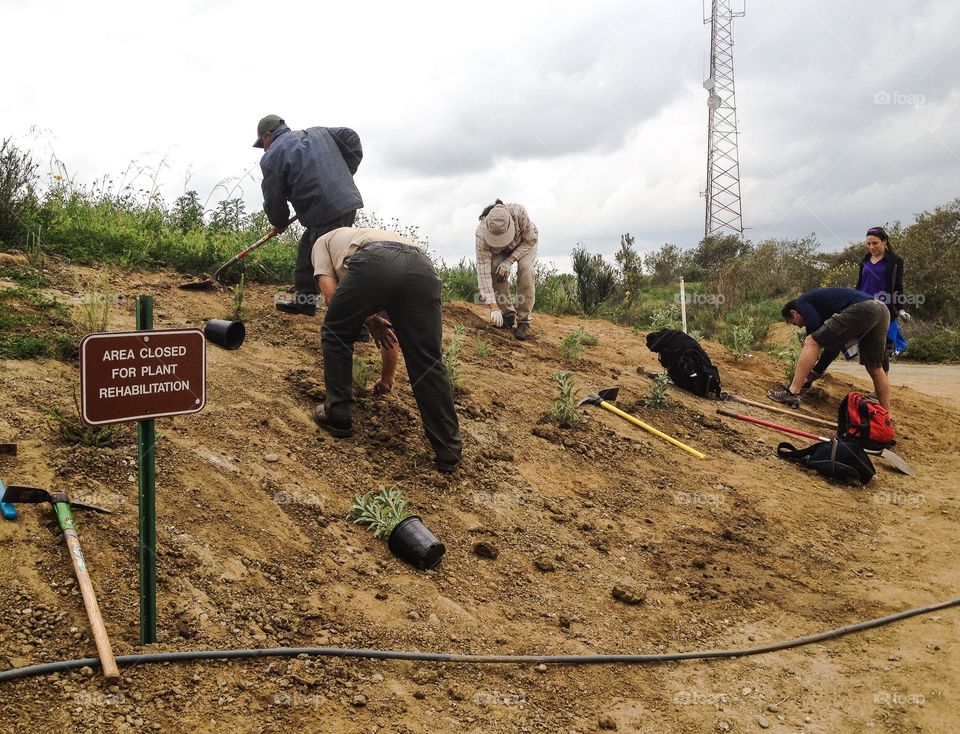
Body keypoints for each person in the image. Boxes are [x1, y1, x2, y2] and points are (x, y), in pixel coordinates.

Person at [310, 226, 462, 473]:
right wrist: (387, 378)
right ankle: (449, 450)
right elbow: (389, 334)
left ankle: (337, 414)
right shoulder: (358, 236)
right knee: (427, 359)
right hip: (421, 266)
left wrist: (366, 319)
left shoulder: (320, 244)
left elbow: (332, 298)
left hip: (375, 261)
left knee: (336, 331)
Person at [254, 114, 363, 316]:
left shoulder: (272, 156)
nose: (264, 149)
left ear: (267, 136)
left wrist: (279, 222)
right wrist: (343, 175)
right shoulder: (319, 132)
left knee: (333, 262)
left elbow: (273, 197)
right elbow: (351, 138)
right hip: (345, 202)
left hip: (324, 209)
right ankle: (305, 300)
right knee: (309, 249)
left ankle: (356, 325)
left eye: (263, 144)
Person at [804, 226, 908, 386]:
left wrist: (900, 308)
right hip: (860, 307)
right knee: (840, 337)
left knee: (879, 348)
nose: (872, 247)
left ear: (885, 242)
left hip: (883, 309)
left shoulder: (895, 261)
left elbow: (898, 287)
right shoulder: (865, 260)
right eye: (868, 244)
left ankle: (881, 386)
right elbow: (859, 285)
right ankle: (815, 373)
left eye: (875, 243)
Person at [769, 287, 891, 410]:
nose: (800, 326)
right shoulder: (826, 310)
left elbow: (814, 328)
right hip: (882, 310)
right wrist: (815, 372)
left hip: (865, 307)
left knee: (811, 341)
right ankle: (886, 418)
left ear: (793, 313)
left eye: (795, 323)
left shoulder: (802, 302)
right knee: (875, 367)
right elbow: (834, 349)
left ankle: (792, 392)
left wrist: (811, 351)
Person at [475, 200, 538, 341]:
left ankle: (524, 322)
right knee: (495, 267)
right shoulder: (481, 234)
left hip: (525, 243)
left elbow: (530, 240)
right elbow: (483, 272)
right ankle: (507, 315)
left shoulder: (519, 212)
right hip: (501, 252)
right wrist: (493, 307)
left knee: (525, 269)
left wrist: (510, 261)